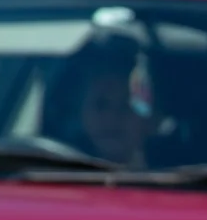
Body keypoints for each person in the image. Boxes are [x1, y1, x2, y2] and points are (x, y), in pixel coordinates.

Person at [45, 35, 150, 166]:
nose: (112, 118)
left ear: (152, 117)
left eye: (127, 106)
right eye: (100, 105)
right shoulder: (50, 174)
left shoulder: (172, 182)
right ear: (81, 111)